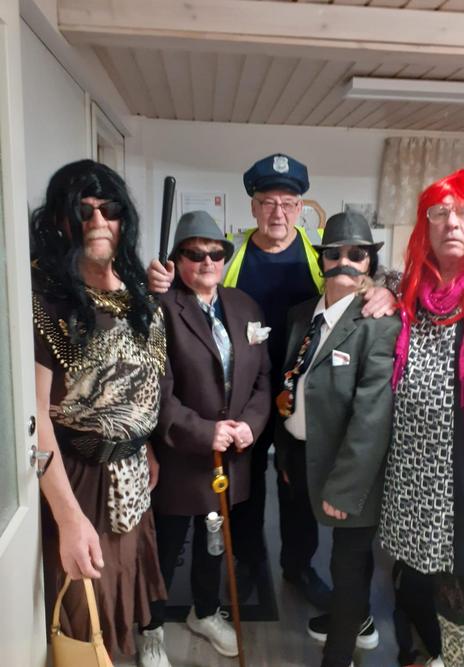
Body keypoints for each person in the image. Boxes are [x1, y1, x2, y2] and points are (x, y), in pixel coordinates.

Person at [148, 153, 397, 613]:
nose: (277, 212)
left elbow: (358, 280)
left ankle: (297, 565)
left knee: (296, 487)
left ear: (300, 208)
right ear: (253, 207)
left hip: (303, 394)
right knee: (245, 487)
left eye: (287, 202)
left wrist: (387, 289)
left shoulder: (321, 254)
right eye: (267, 202)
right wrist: (160, 284)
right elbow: (195, 294)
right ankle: (247, 559)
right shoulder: (230, 254)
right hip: (241, 397)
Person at [31, 160, 171, 667]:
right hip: (78, 477)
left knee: (122, 595)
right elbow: (35, 420)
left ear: (123, 218)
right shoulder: (47, 302)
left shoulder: (138, 295)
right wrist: (68, 518)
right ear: (61, 221)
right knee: (83, 612)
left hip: (132, 474)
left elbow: (143, 383)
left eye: (108, 210)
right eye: (82, 211)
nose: (97, 221)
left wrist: (144, 446)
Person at [380, 168, 464, 667]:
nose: (452, 222)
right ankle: (453, 658)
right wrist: (381, 288)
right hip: (422, 471)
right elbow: (379, 278)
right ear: (424, 226)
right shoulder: (412, 291)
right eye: (440, 212)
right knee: (440, 577)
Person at [274, 210, 401, 667]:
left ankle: (341, 651)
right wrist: (284, 454)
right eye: (334, 253)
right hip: (300, 454)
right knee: (311, 546)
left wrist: (346, 489)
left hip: (351, 468)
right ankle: (352, 619)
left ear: (370, 262)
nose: (345, 261)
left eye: (357, 254)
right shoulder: (300, 316)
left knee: (347, 564)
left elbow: (372, 418)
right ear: (321, 260)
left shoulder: (379, 324)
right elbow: (288, 384)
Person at [147, 211, 271, 658]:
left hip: (231, 457)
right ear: (177, 259)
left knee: (214, 542)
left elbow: (263, 379)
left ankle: (204, 611)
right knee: (166, 547)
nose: (206, 262)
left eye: (215, 254)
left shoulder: (245, 305)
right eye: (194, 254)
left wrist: (250, 424)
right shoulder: (160, 310)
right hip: (181, 457)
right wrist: (204, 432)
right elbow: (155, 392)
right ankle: (150, 628)